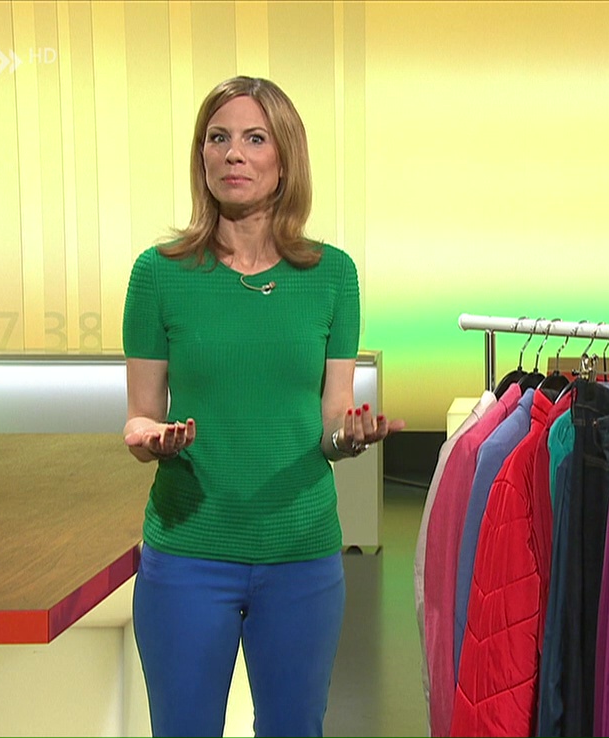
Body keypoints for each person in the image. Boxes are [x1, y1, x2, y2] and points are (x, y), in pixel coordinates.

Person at [120, 76, 404, 738]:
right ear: (201, 156)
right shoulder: (157, 274)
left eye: (254, 138)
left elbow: (332, 421)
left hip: (300, 553)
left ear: (285, 158)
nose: (233, 154)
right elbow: (139, 417)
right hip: (189, 551)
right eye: (218, 138)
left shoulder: (333, 276)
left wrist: (349, 437)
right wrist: (149, 436)